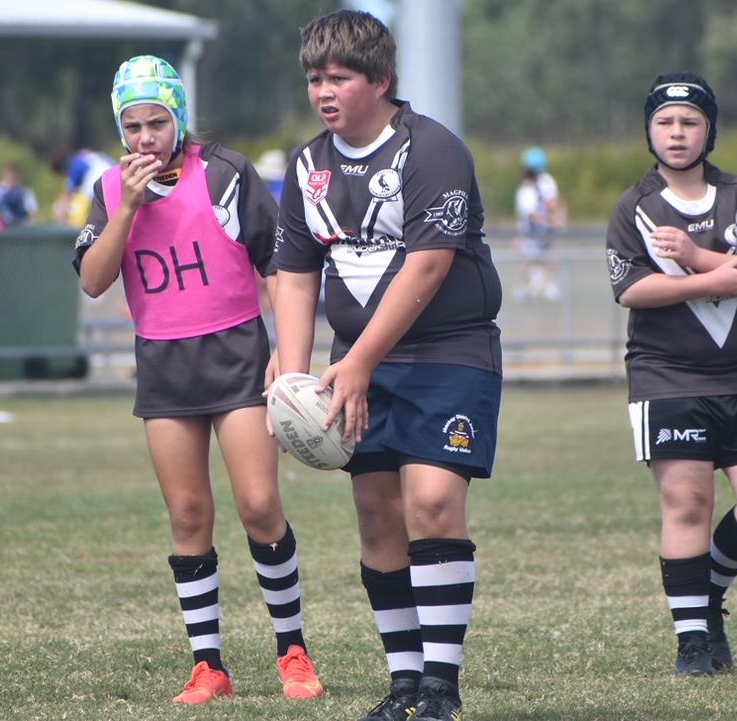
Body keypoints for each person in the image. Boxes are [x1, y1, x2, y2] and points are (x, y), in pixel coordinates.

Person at [72, 55, 324, 706]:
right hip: (164, 363)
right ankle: (207, 663)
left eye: (157, 122)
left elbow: (279, 265)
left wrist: (287, 355)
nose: (145, 138)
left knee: (259, 504)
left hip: (237, 354)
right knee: (188, 515)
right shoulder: (108, 188)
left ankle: (291, 648)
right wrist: (126, 205)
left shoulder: (226, 174)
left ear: (178, 117)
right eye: (132, 126)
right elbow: (94, 279)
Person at [273, 11, 503, 721]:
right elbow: (296, 271)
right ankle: (404, 682)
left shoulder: (431, 149)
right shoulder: (308, 165)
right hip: (356, 365)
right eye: (315, 78)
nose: (324, 92)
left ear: (381, 79)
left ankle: (441, 685)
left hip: (447, 352)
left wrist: (360, 361)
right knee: (377, 515)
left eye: (339, 77)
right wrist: (292, 377)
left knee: (431, 501)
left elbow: (430, 265)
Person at [604, 72, 737, 676]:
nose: (677, 133)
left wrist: (693, 257)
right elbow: (631, 289)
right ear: (649, 130)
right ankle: (694, 642)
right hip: (666, 378)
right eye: (665, 122)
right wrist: (714, 278)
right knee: (688, 501)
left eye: (689, 121)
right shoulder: (634, 206)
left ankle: (705, 594)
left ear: (710, 129)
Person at [513, 146, 566, 301]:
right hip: (530, 231)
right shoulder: (525, 190)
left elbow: (553, 202)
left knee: (549, 257)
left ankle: (551, 286)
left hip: (545, 229)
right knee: (530, 260)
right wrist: (549, 221)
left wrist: (558, 216)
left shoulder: (547, 181)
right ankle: (521, 288)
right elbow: (530, 215)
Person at [51, 146, 116, 227]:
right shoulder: (82, 155)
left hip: (96, 175)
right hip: (113, 172)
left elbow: (67, 195)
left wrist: (60, 217)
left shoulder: (74, 164)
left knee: (79, 211)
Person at [0, 163, 38, 232]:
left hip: (20, 226)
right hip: (1, 228)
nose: (11, 177)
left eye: (13, 175)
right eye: (9, 174)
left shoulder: (24, 192)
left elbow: (31, 212)